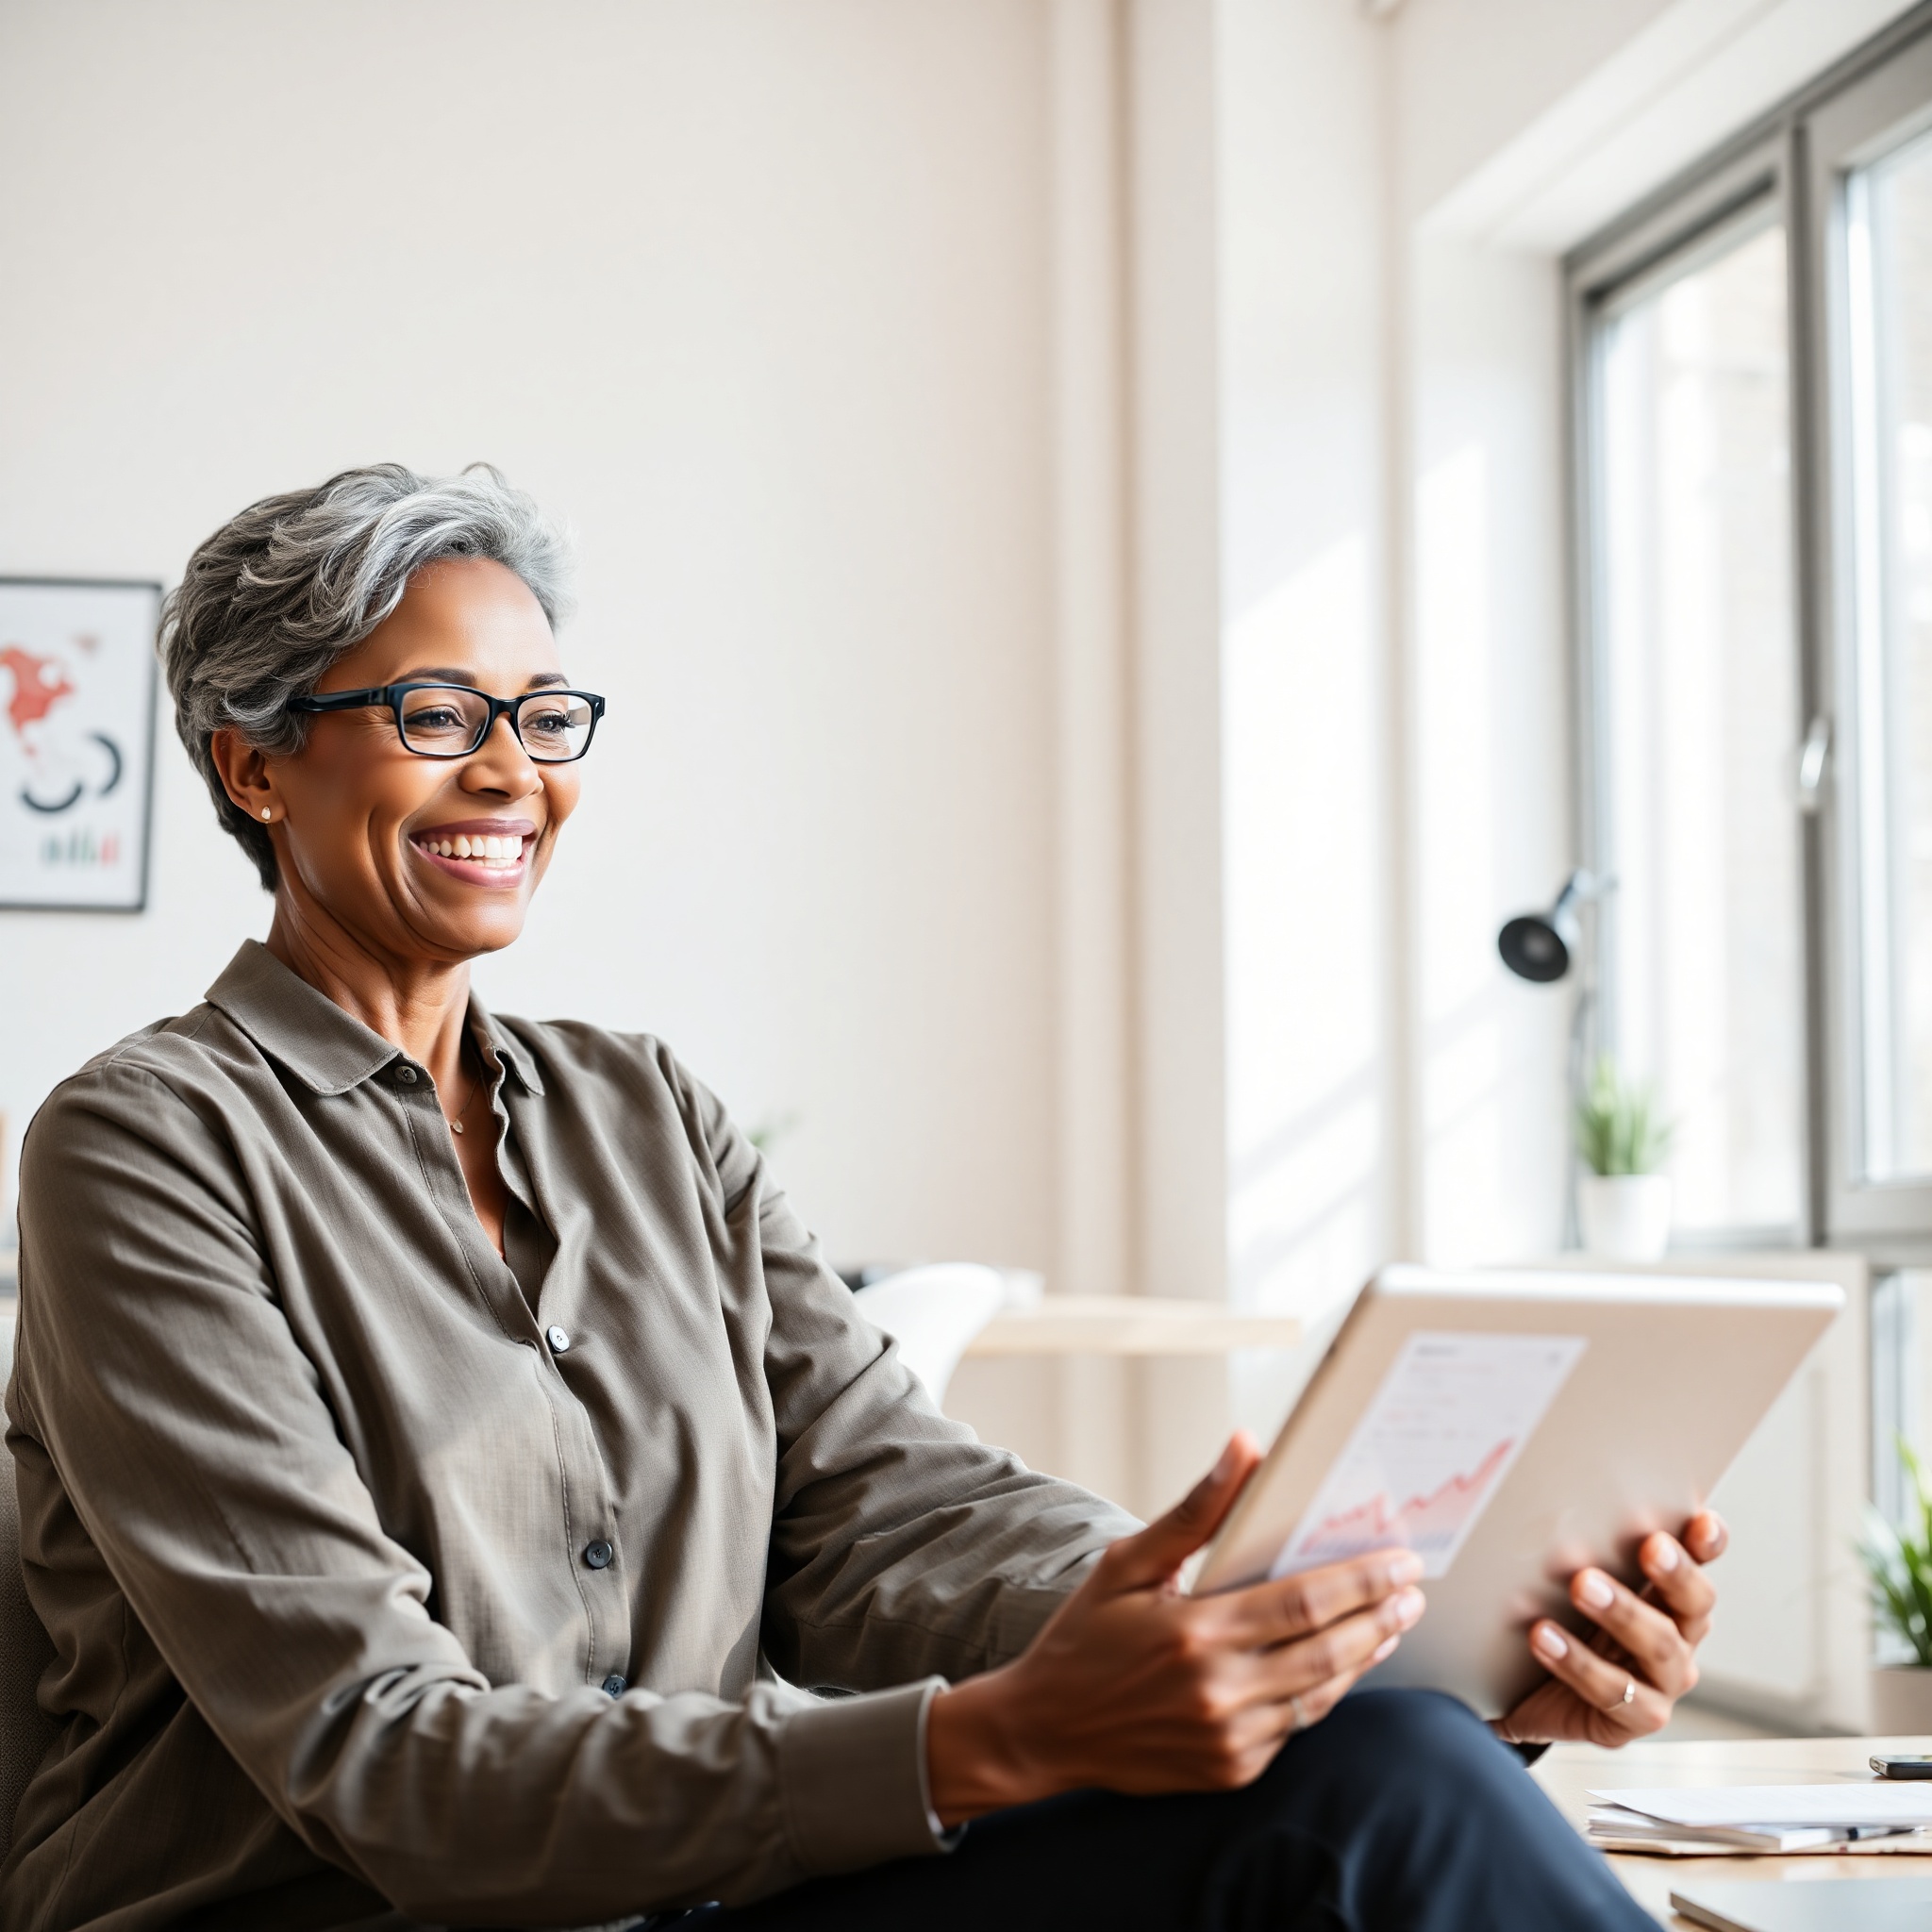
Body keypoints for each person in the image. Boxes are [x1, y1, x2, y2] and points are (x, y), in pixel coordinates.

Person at [2, 466, 1723, 1932]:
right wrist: (1003, 1738)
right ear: (253, 766)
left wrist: (1294, 1634)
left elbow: (892, 1514)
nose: (512, 771)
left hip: (690, 1896)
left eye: (542, 716)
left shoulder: (644, 1108)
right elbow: (380, 1756)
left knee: (1391, 1770)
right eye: (437, 717)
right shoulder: (141, 1152)